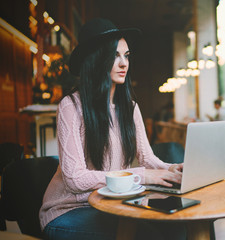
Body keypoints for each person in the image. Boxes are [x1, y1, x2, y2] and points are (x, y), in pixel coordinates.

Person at [39, 18, 184, 240]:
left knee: (174, 226)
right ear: (96, 60)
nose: (124, 63)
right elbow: (75, 180)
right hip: (68, 212)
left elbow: (147, 158)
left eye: (126, 55)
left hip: (110, 205)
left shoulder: (130, 108)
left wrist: (173, 169)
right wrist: (143, 176)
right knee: (146, 235)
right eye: (114, 55)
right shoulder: (71, 106)